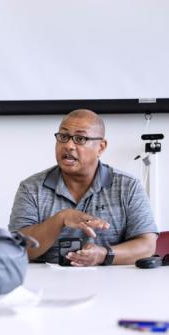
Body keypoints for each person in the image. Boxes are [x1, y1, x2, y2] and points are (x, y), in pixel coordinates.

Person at [9, 109, 157, 266]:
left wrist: (103, 255)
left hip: (110, 279)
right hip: (46, 280)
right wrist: (60, 219)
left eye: (80, 139)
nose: (68, 145)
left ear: (101, 147)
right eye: (63, 137)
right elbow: (17, 249)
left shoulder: (128, 187)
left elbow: (147, 246)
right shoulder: (31, 188)